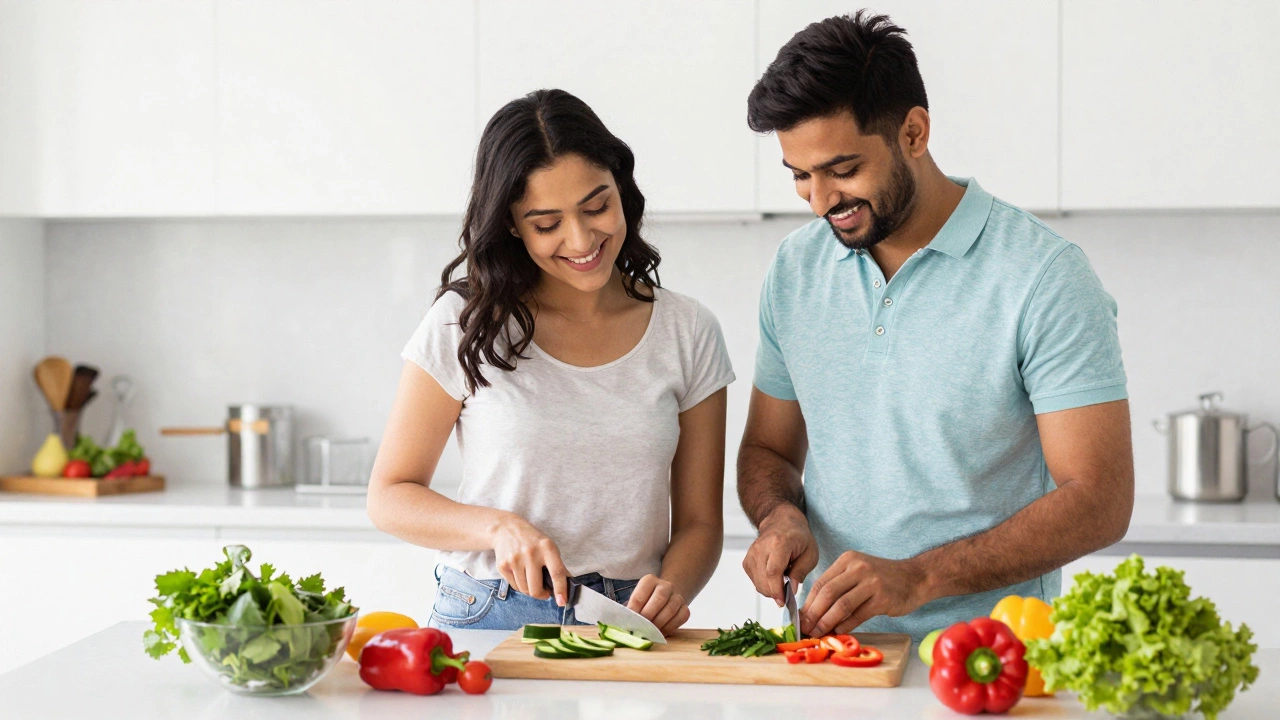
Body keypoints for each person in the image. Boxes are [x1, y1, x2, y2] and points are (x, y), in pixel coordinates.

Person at [738, 11, 1134, 640]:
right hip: (827, 652)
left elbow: (1100, 501)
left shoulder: (1043, 275)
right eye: (800, 176)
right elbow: (769, 451)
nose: (820, 202)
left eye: (842, 171)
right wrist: (779, 516)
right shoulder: (795, 269)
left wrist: (918, 577)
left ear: (914, 133)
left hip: (992, 657)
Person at [367, 89, 734, 635]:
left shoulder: (688, 331)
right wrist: (498, 529)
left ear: (621, 188)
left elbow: (701, 524)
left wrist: (674, 586)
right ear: (512, 224)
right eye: (546, 224)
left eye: (596, 206)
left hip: (629, 621)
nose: (582, 239)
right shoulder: (464, 321)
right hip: (490, 612)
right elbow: (390, 496)